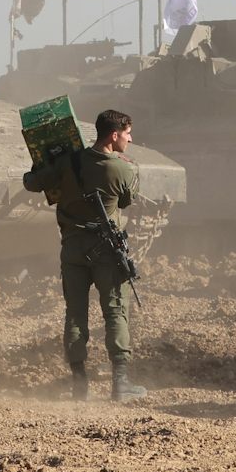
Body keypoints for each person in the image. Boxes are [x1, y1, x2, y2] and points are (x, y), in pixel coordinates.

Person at [24, 108, 145, 401]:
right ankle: (120, 384)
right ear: (114, 135)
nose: (130, 139)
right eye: (127, 134)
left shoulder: (70, 162)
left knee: (75, 315)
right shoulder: (126, 169)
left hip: (73, 248)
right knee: (115, 311)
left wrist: (46, 161)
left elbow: (31, 182)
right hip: (107, 251)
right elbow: (127, 202)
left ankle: (80, 384)